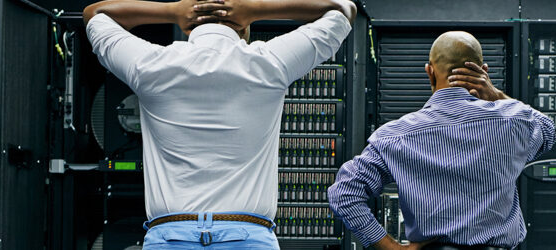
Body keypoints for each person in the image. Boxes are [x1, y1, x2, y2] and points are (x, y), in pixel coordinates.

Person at [82, 0, 355, 248]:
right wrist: (256, 9)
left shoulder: (150, 65)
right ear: (244, 27)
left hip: (169, 235)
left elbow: (95, 14)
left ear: (188, 27)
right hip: (248, 236)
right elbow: (343, 10)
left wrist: (172, 12)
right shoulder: (270, 62)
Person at [328, 31, 556, 250]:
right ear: (483, 72)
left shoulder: (395, 136)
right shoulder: (513, 121)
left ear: (430, 72)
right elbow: (547, 130)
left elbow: (344, 194)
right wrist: (496, 95)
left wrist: (390, 247)